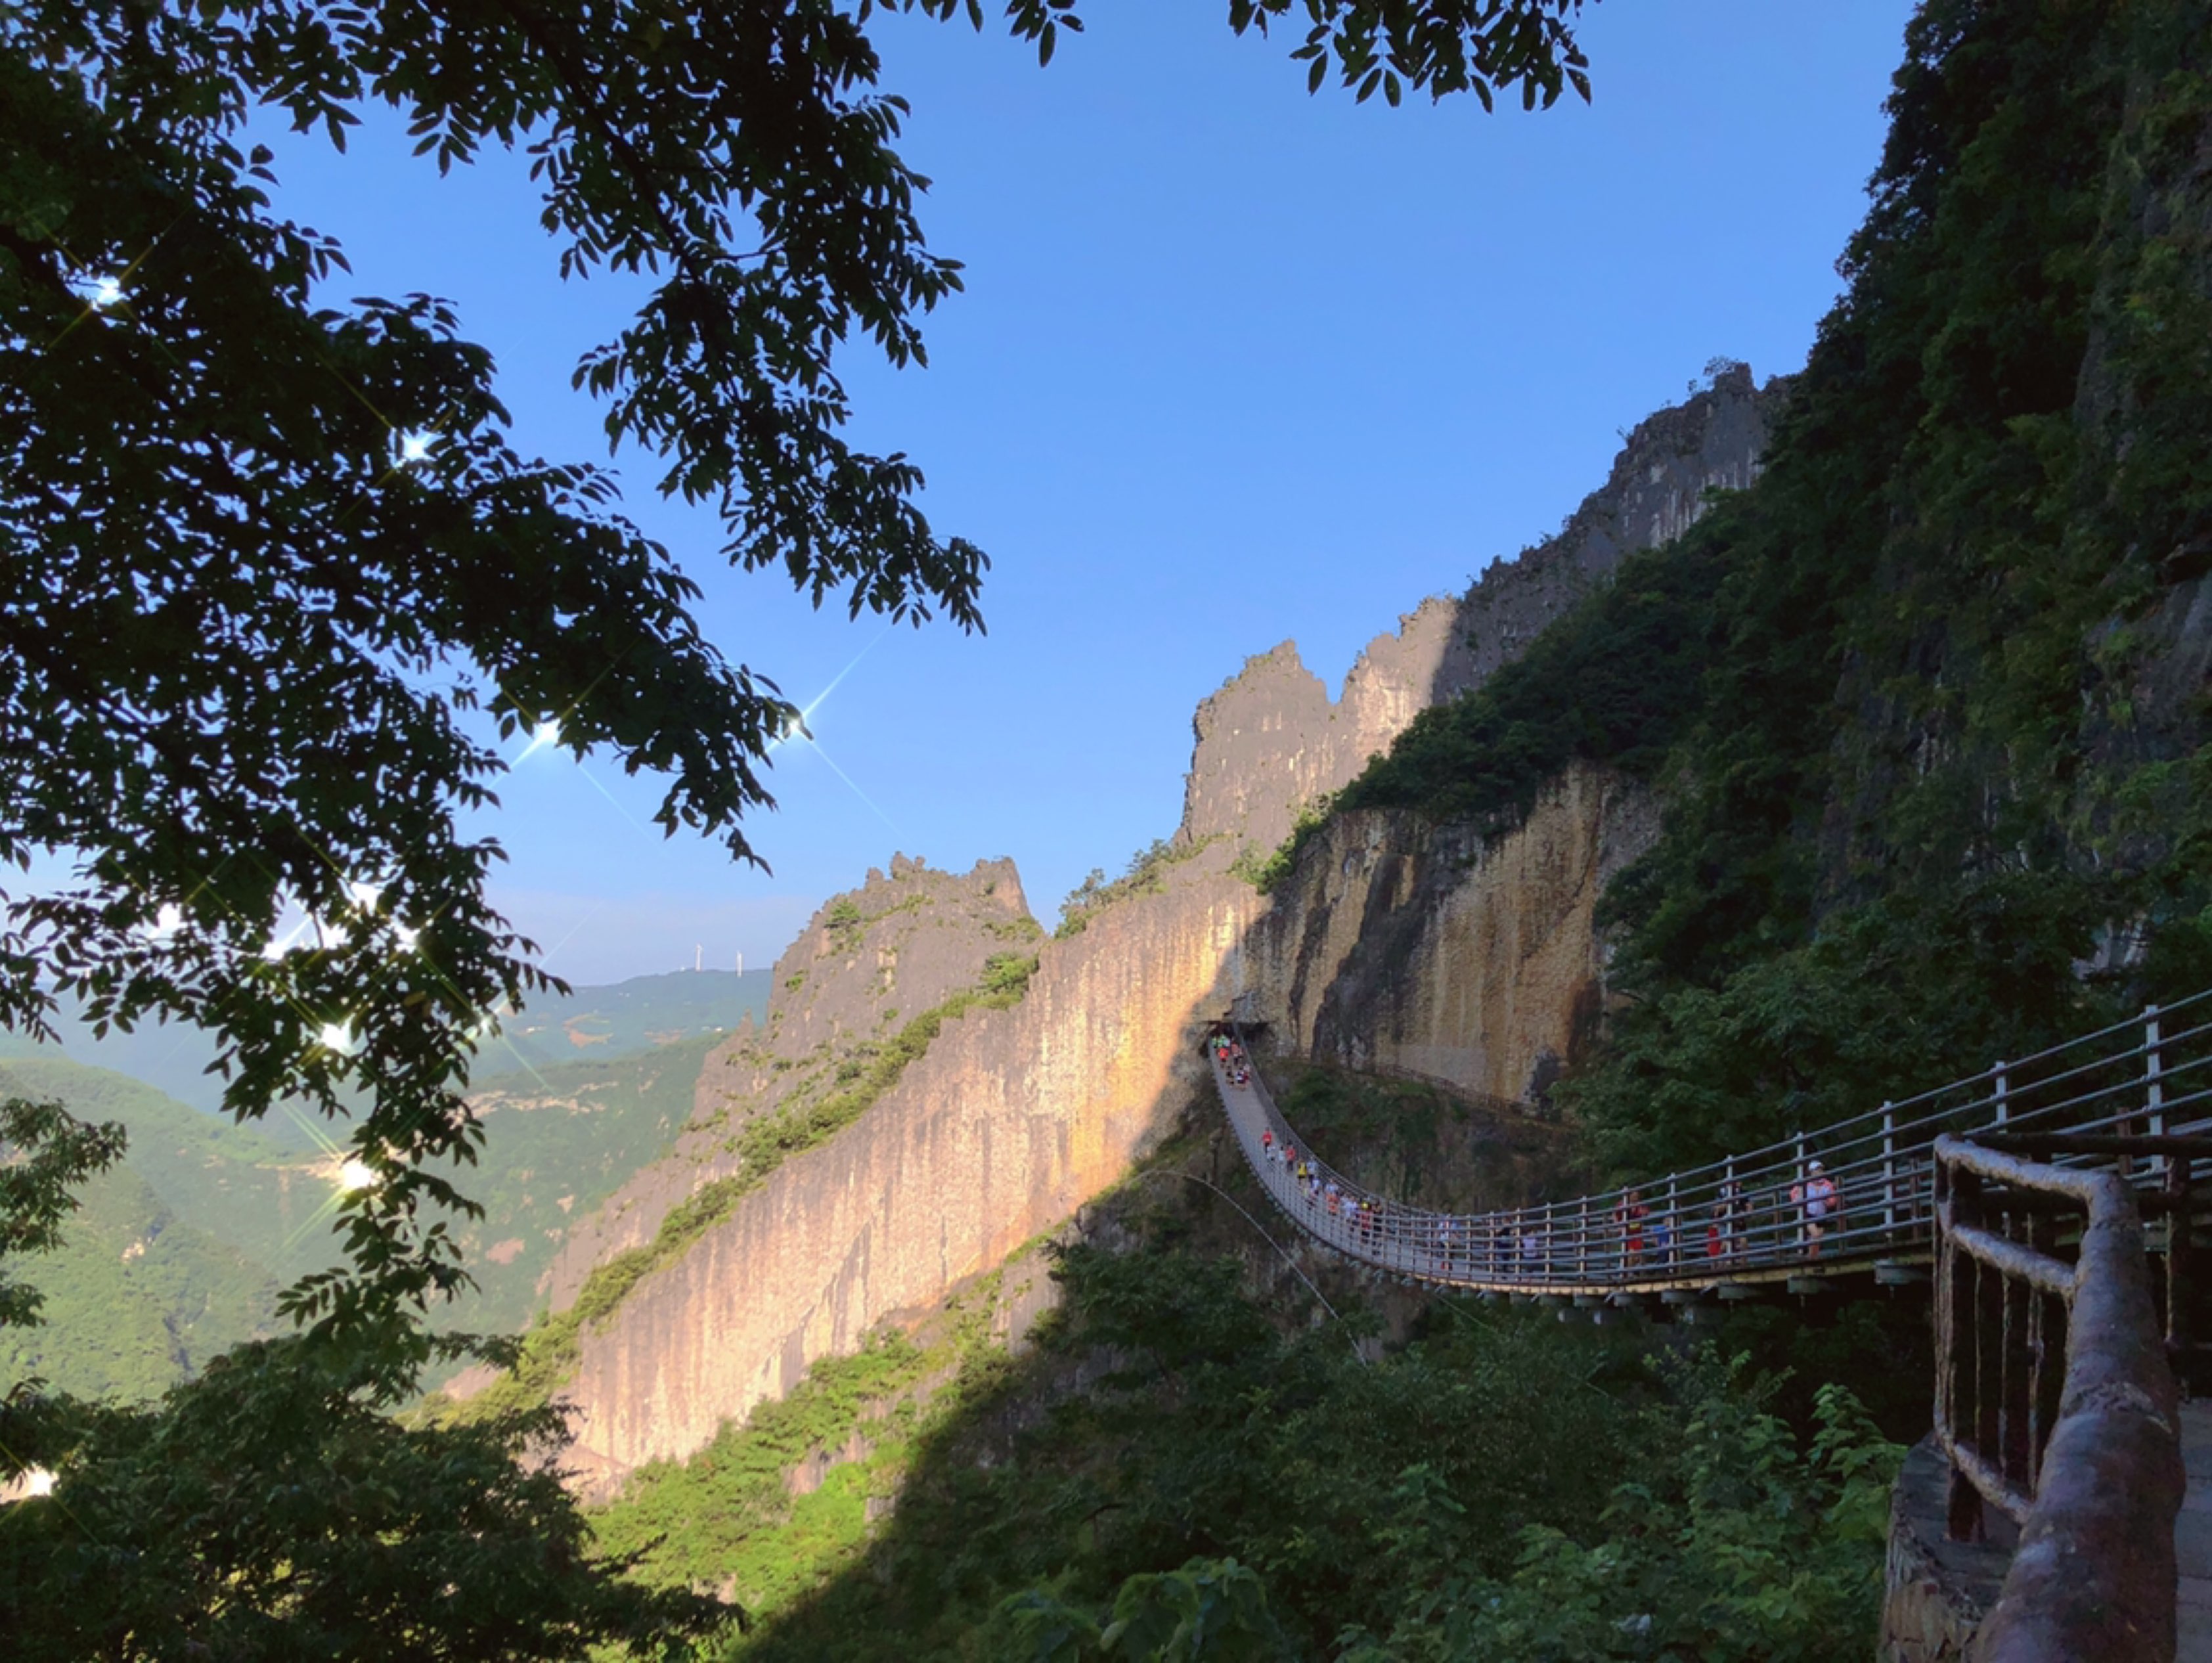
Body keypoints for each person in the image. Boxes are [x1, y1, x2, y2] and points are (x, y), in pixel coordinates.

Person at [1798, 1159, 1840, 1259]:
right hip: (1809, 1214)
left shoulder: (1827, 1185)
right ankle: (1811, 1259)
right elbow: (1795, 1195)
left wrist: (1829, 1201)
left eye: (1821, 1170)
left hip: (1821, 1215)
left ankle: (1812, 1258)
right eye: (1817, 1170)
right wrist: (1798, 1200)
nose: (1820, 1172)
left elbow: (1833, 1198)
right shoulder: (1805, 1185)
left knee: (1817, 1241)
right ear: (1811, 1172)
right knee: (1816, 1236)